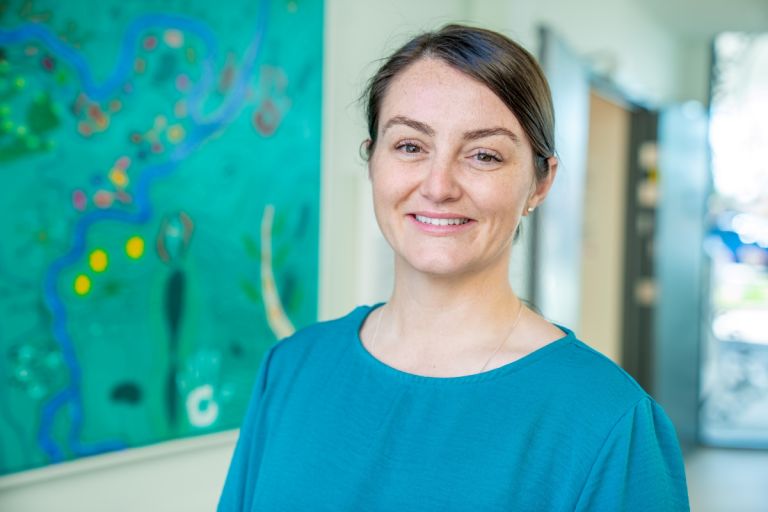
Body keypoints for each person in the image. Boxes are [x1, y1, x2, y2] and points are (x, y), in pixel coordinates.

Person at [218, 24, 690, 511]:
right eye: (410, 146)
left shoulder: (607, 420)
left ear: (539, 183)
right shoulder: (293, 367)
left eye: (484, 155)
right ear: (372, 159)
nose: (438, 185)